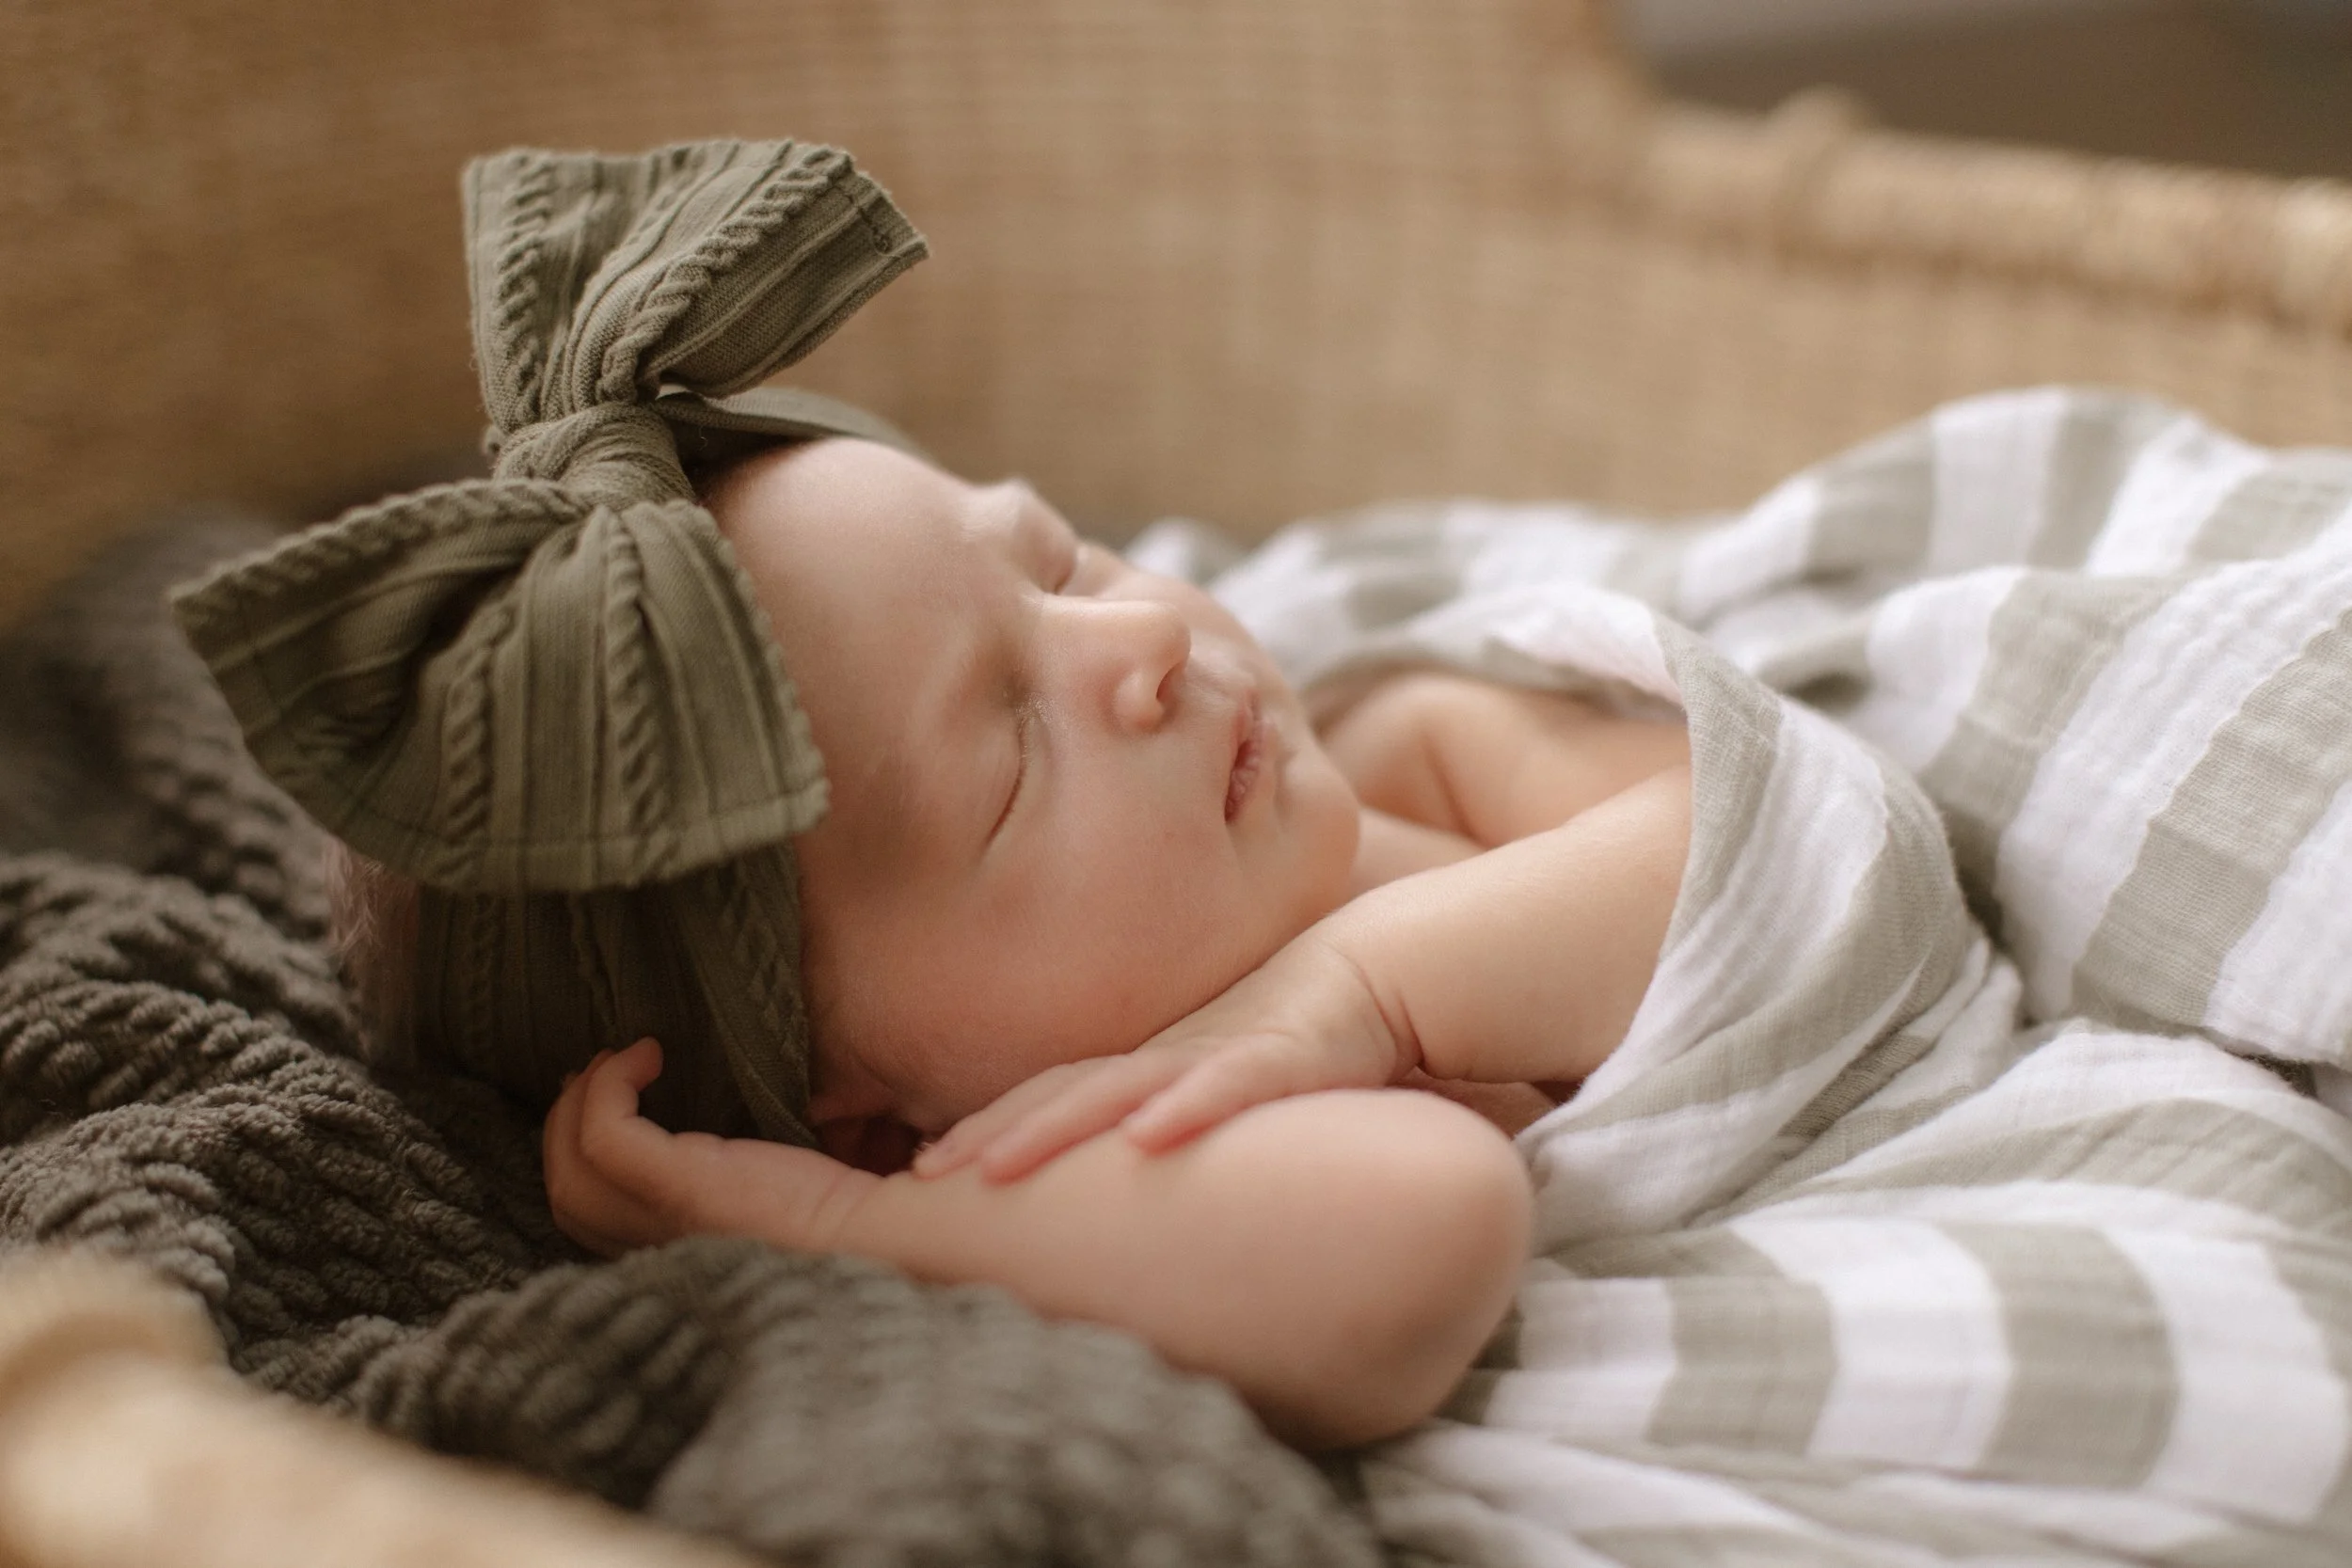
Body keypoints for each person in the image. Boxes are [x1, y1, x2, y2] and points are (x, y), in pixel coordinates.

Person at [538, 433, 1693, 1448]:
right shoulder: (1110, 1162)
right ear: (875, 1124)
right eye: (1013, 758)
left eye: (1063, 562)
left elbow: (1756, 831)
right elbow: (1430, 1217)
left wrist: (1357, 988)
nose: (1143, 634)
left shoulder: (1401, 744)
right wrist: (856, 1229)